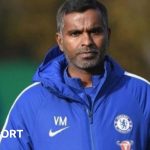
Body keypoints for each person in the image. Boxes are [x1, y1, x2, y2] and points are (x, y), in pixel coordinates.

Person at [0, 0, 150, 149]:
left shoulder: (141, 94)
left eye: (95, 31)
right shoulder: (30, 103)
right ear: (60, 41)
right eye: (75, 33)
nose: (87, 41)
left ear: (108, 35)